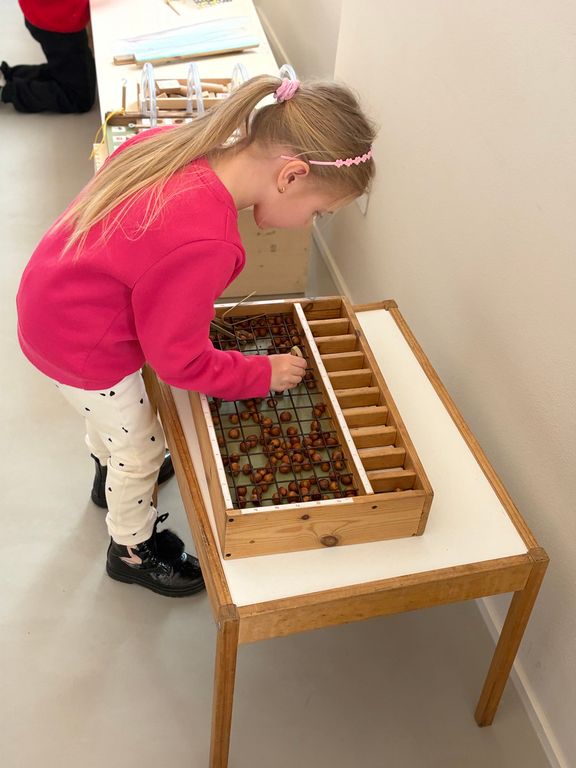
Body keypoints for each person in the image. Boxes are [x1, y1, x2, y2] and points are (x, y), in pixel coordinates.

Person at [16, 75, 376, 597]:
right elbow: (179, 364)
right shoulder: (206, 240)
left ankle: (106, 471)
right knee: (141, 449)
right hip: (83, 347)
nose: (308, 224)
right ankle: (131, 550)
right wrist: (262, 373)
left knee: (111, 424)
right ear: (291, 175)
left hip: (52, 306)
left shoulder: (178, 143)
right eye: (319, 212)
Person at [0, 0, 96, 113]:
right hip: (59, 22)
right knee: (80, 98)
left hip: (46, 13)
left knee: (70, 71)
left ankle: (8, 75)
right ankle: (8, 92)